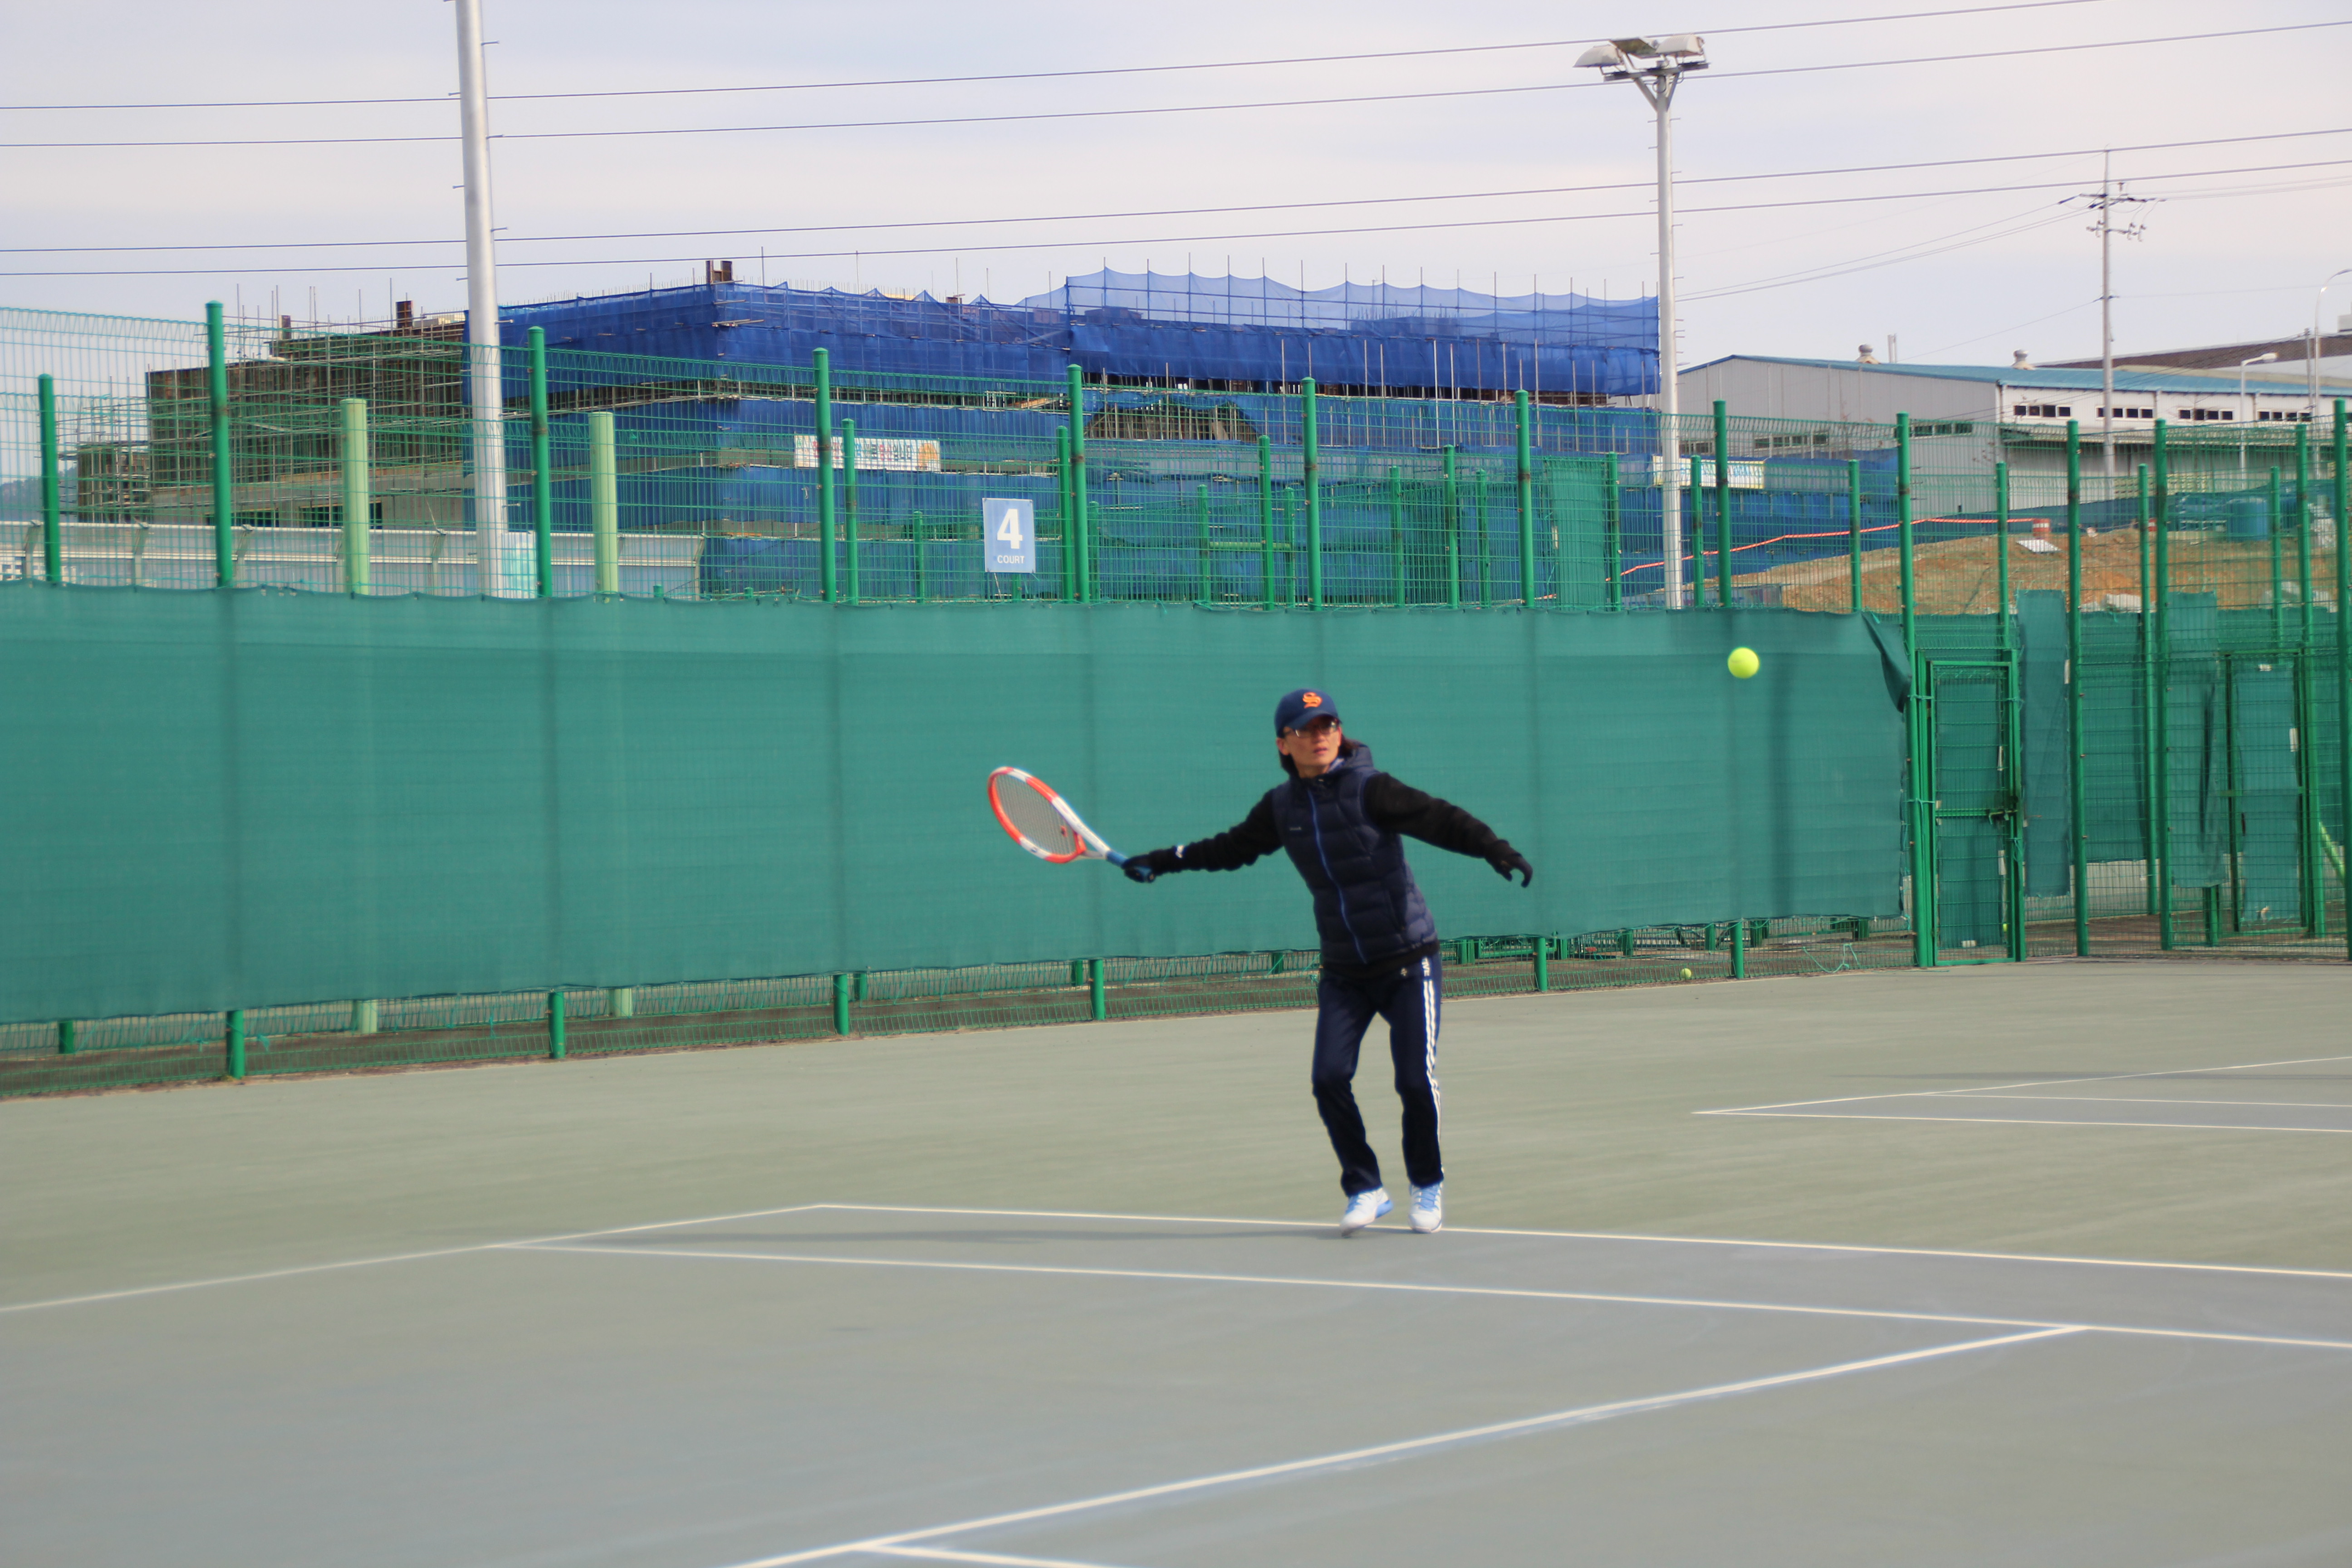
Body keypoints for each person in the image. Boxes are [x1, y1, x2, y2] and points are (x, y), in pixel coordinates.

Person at [1122, 688, 1533, 1236]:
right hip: (1344, 971)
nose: (1319, 737)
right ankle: (1366, 1188)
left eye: (1327, 726)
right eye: (1305, 730)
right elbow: (1229, 848)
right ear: (1283, 744)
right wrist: (1162, 860)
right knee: (1328, 1079)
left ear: (1339, 733)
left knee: (1415, 1082)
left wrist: (1494, 848)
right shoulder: (1280, 808)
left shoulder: (1372, 789)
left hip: (1409, 962)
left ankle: (1427, 1184)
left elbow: (1441, 819)